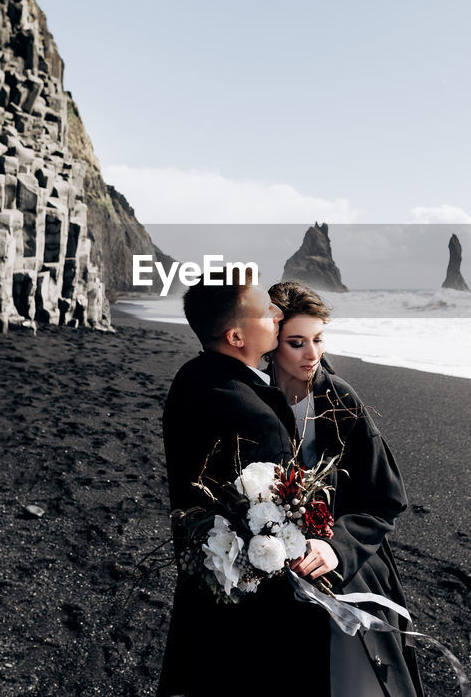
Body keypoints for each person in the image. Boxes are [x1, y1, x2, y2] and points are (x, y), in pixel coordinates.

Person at [157, 270, 331, 697]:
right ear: (236, 337)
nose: (277, 313)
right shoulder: (249, 414)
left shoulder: (193, 377)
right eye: (265, 310)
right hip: (248, 610)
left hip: (202, 581)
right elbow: (271, 521)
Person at [266, 280, 425, 697]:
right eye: (296, 342)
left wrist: (337, 548)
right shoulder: (249, 400)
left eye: (318, 339)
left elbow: (387, 498)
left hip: (345, 566)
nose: (312, 354)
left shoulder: (340, 399)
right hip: (266, 569)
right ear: (271, 340)